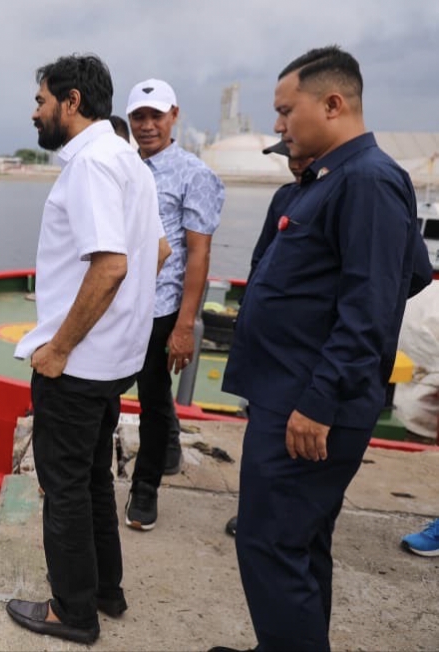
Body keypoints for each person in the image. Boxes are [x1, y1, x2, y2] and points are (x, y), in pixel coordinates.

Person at [210, 46, 433, 652]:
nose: (279, 125)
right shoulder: (332, 180)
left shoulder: (367, 180)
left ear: (332, 104)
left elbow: (371, 308)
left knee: (270, 544)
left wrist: (320, 400)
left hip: (307, 405)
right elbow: (406, 272)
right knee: (299, 545)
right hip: (289, 393)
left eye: (286, 111)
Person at [5, 53, 165, 644]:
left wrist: (58, 348)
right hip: (115, 360)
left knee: (64, 486)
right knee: (94, 477)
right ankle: (105, 591)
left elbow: (111, 266)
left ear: (72, 102)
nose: (35, 113)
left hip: (78, 364)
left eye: (42, 101)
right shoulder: (129, 161)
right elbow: (157, 253)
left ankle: (72, 612)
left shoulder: (93, 165)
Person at [124, 78, 226, 531]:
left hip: (161, 306)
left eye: (155, 116)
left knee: (151, 397)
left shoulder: (193, 173)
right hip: (118, 301)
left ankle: (145, 490)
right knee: (131, 391)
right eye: (138, 117)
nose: (147, 126)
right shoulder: (125, 165)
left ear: (174, 117)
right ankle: (167, 449)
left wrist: (186, 325)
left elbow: (199, 253)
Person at [224, 139, 314, 538]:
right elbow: (262, 259)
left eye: (301, 155)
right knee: (261, 440)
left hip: (303, 356)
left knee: (296, 450)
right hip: (268, 351)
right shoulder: (286, 197)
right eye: (289, 157)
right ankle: (256, 511)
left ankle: (281, 522)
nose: (294, 164)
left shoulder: (350, 193)